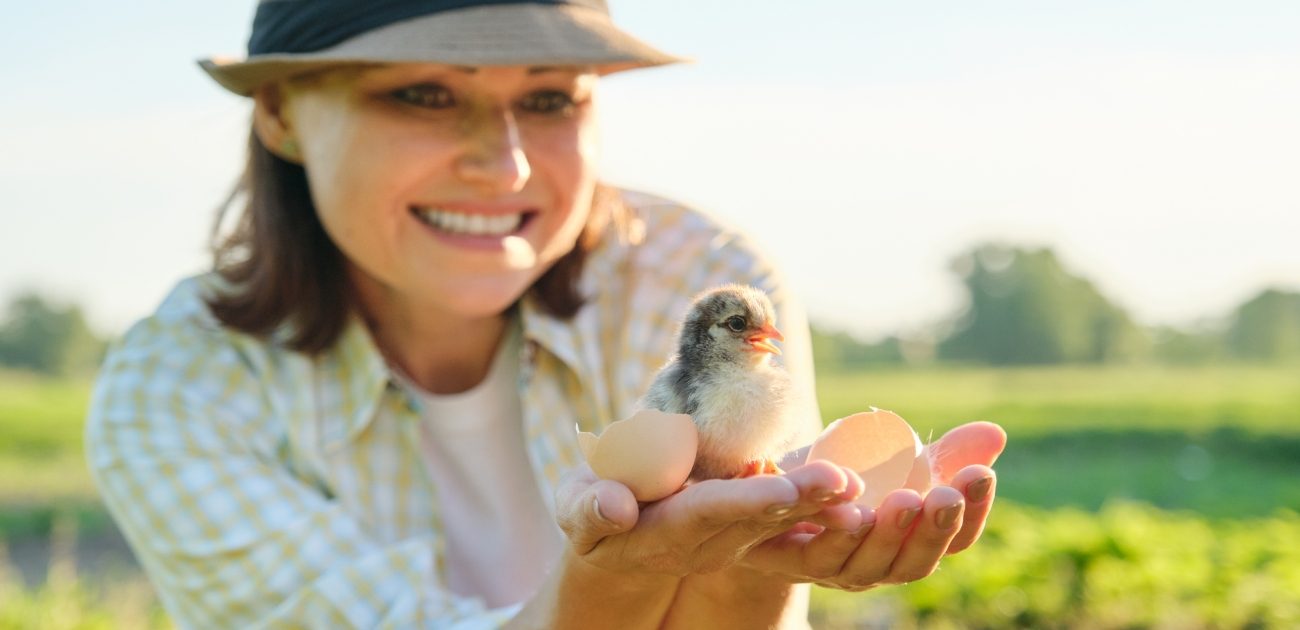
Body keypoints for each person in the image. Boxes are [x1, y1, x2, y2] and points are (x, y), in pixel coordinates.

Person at [86, 1, 1007, 627]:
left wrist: (747, 566)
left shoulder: (698, 275)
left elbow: (744, 589)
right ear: (281, 113)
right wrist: (611, 579)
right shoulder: (181, 389)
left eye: (548, 97)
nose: (509, 165)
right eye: (424, 94)